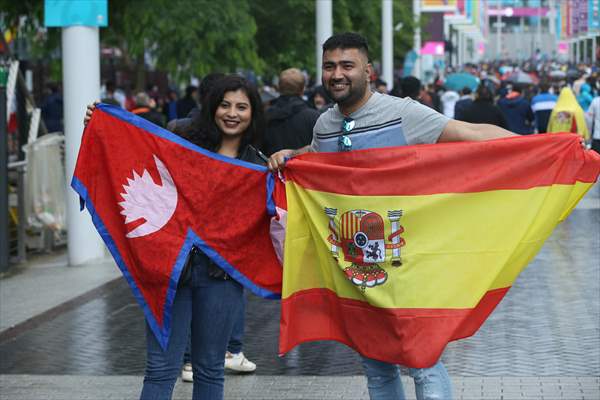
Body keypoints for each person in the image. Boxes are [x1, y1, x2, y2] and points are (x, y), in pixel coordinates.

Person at [268, 32, 517, 400]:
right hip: (355, 267)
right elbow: (316, 156)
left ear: (368, 71)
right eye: (330, 66)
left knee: (422, 360)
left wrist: (540, 144)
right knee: (374, 365)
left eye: (347, 65)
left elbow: (470, 133)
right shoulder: (324, 124)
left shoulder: (402, 112)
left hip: (405, 265)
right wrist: (292, 153)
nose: (337, 74)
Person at [84, 75, 265, 400]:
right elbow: (134, 148)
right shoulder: (181, 141)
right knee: (160, 370)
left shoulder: (257, 164)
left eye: (242, 106)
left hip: (221, 278)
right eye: (225, 104)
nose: (232, 113)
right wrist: (101, 125)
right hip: (169, 273)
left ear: (253, 113)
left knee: (210, 370)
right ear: (212, 107)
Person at [262, 68, 320, 156]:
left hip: (270, 168)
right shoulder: (314, 117)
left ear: (279, 87)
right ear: (303, 89)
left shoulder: (264, 116)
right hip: (304, 168)